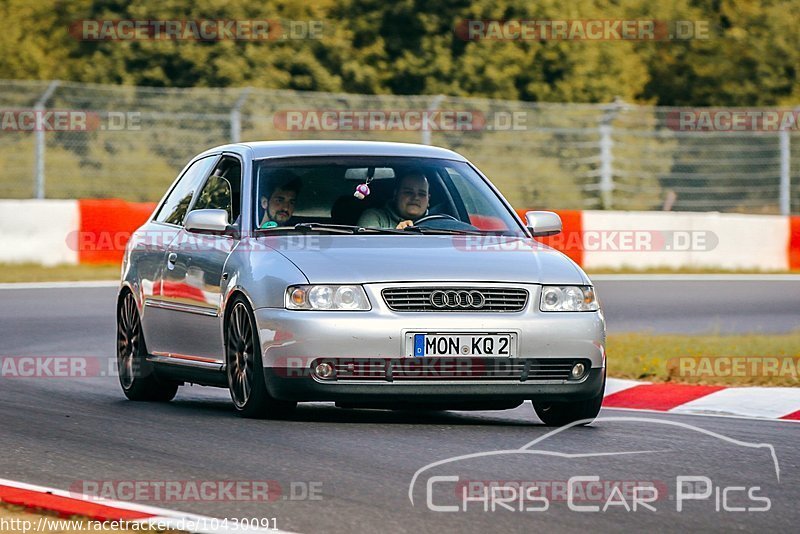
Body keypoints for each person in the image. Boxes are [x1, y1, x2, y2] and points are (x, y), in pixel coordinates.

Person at [357, 171, 430, 229]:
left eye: (422, 194)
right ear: (396, 195)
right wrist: (397, 233)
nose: (415, 197)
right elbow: (369, 245)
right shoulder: (374, 217)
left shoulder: (438, 224)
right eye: (408, 192)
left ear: (428, 200)